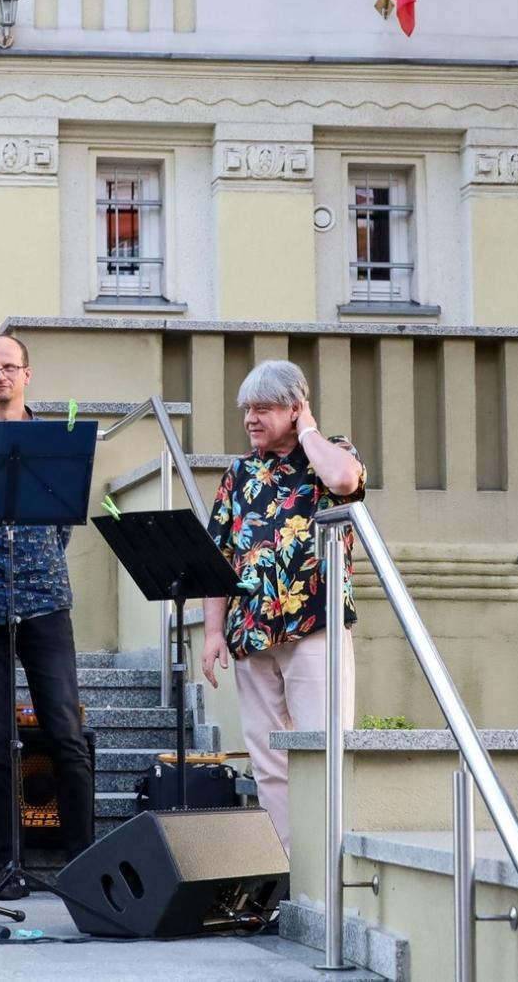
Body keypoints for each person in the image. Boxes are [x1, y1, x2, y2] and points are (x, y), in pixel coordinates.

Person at [199, 359, 365, 854]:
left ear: (296, 410)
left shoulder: (331, 455)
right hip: (249, 632)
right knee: (269, 762)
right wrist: (212, 632)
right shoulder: (238, 473)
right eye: (247, 409)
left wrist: (309, 430)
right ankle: (288, 870)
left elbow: (342, 480)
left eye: (265, 408)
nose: (251, 418)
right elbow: (218, 556)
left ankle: (329, 865)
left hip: (314, 625)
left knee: (322, 747)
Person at [0, 333, 95, 899]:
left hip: (44, 599)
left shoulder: (53, 440)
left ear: (27, 375)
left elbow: (63, 520)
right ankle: (2, 864)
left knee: (64, 732)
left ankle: (83, 863)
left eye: (9, 367)